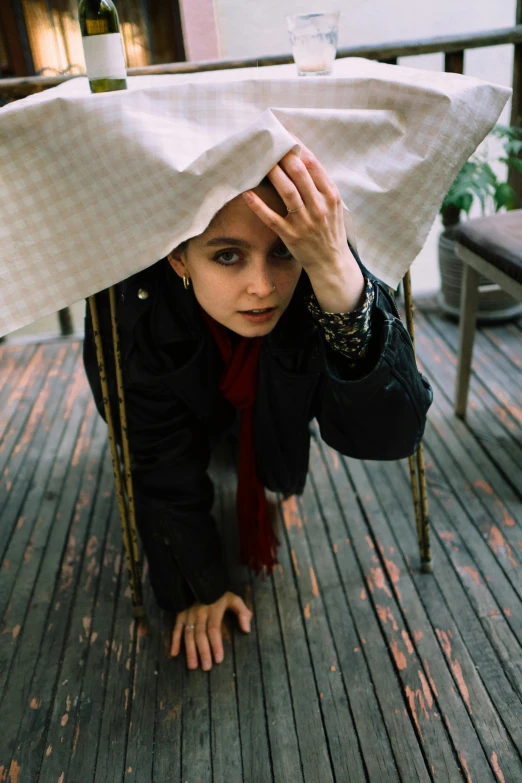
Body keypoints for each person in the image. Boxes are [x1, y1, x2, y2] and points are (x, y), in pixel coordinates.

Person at [83, 139, 433, 673]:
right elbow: (157, 456)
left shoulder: (326, 270)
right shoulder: (134, 308)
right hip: (190, 401)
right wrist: (198, 587)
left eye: (282, 252)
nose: (262, 287)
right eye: (227, 256)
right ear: (178, 255)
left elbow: (391, 434)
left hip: (269, 396)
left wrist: (339, 281)